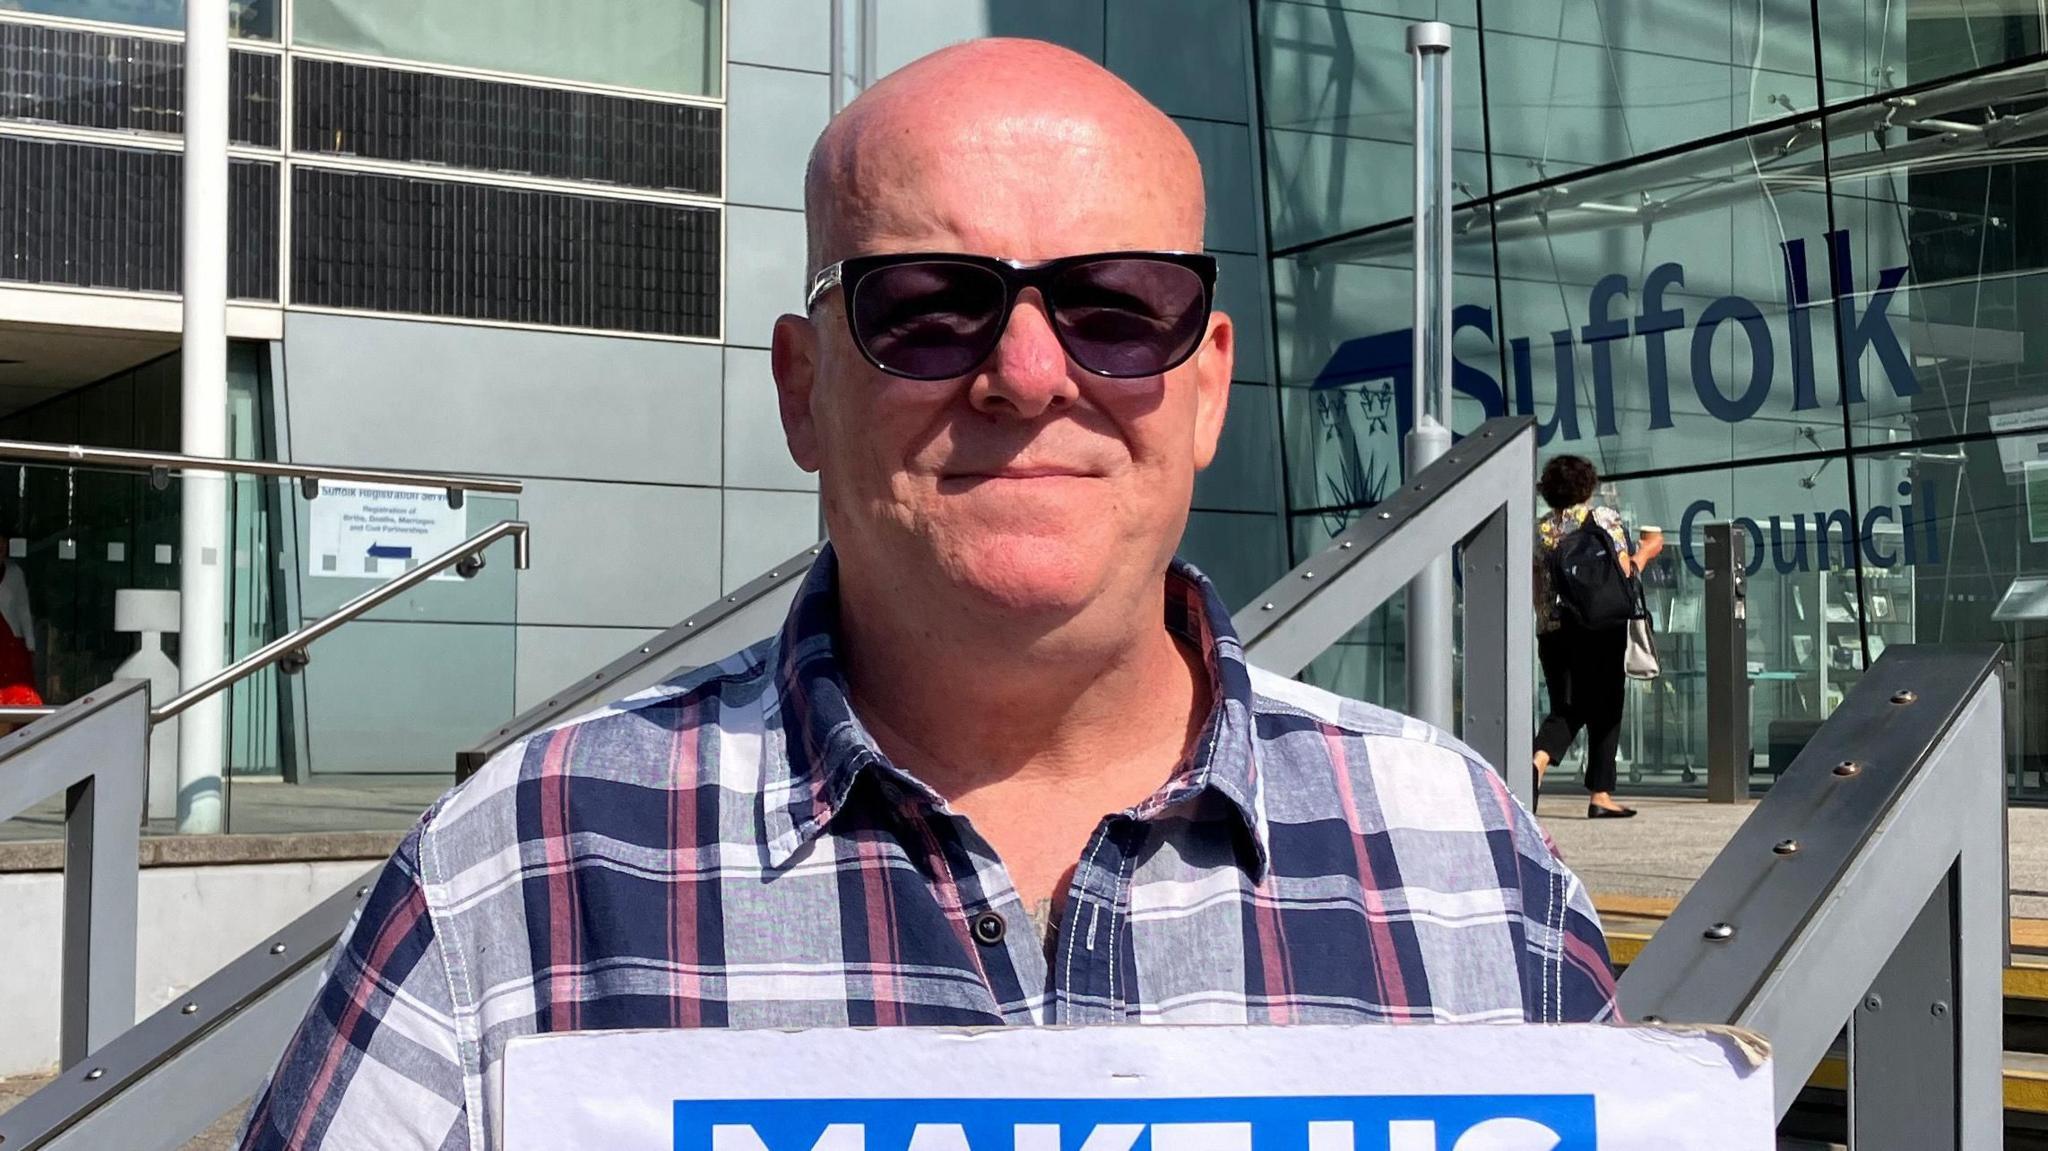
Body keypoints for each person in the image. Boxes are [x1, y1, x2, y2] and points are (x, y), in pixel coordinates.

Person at [236, 39, 1616, 1151]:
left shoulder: (1473, 865)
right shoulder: (519, 878)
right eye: (926, 306)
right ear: (802, 388)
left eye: (1120, 304)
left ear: (1205, 387)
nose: (1025, 375)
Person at [1531, 455, 1663, 819]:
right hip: (1600, 628)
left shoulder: (1540, 530)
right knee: (1606, 707)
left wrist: (1546, 619)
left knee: (1566, 705)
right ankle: (1600, 793)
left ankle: (1537, 763)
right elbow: (1623, 572)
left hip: (1554, 630)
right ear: (1587, 486)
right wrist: (1649, 550)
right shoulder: (1602, 520)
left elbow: (1536, 583)